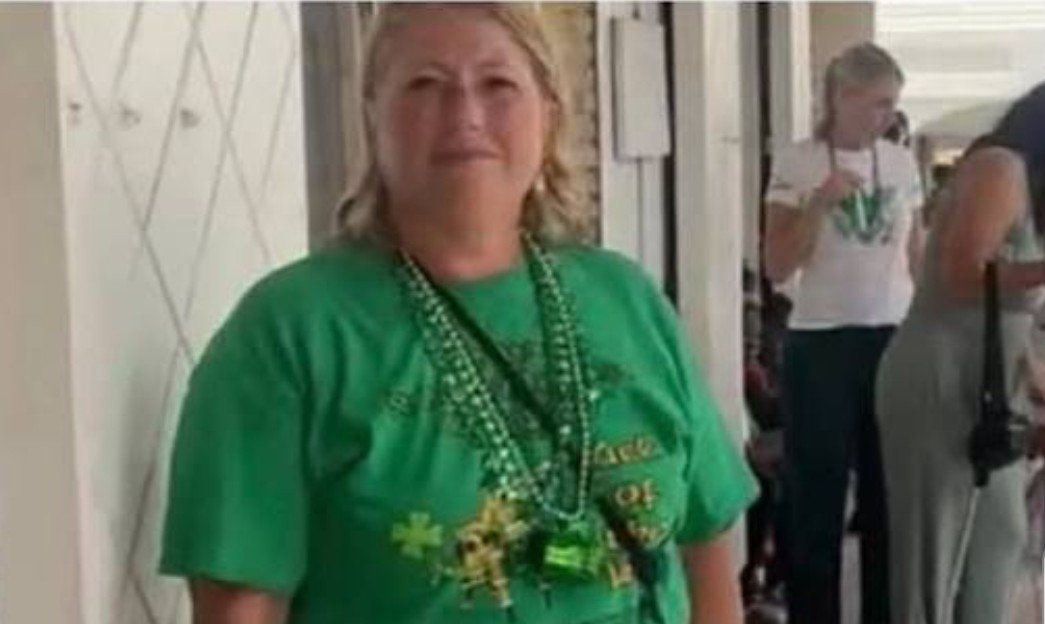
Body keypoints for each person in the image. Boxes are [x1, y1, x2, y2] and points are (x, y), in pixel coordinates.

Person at [159, 4, 757, 624]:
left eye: (498, 84)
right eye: (425, 84)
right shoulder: (290, 334)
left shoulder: (626, 300)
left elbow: (706, 549)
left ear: (548, 113)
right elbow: (241, 608)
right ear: (373, 115)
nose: (465, 115)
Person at [763, 42, 924, 624]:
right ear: (843, 97)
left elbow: (917, 257)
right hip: (821, 341)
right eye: (879, 102)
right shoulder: (798, 160)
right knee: (817, 497)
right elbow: (777, 264)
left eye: (893, 104)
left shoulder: (901, 164)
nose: (888, 115)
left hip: (892, 338)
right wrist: (818, 205)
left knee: (887, 499)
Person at [875, 81, 1045, 624]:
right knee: (936, 557)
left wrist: (1034, 380)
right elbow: (961, 272)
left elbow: (1010, 314)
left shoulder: (1026, 185)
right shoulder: (1000, 168)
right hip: (941, 376)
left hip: (989, 384)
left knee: (998, 538)